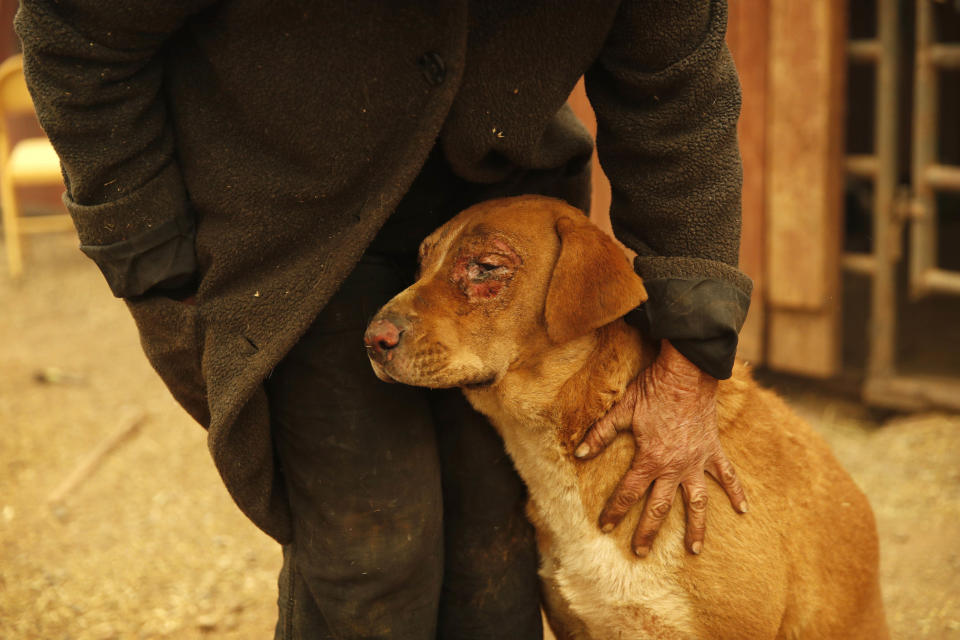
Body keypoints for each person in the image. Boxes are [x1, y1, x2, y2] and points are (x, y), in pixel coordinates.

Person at [16, 1, 751, 637]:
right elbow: (75, 36)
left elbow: (677, 99)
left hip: (500, 212)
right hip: (295, 231)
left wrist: (691, 355)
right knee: (374, 556)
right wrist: (152, 258)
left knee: (495, 554)